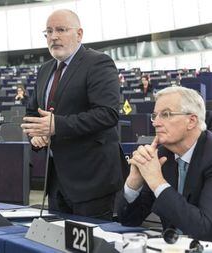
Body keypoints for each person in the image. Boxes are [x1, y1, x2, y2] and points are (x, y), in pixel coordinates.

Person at [21, 9, 123, 219]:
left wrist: (56, 126)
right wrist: (37, 134)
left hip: (91, 180)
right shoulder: (44, 70)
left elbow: (107, 114)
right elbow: (32, 112)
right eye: (48, 31)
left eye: (61, 30)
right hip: (56, 180)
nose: (54, 36)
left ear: (79, 34)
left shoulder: (98, 63)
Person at [117, 86, 212, 241]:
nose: (156, 123)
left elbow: (205, 230)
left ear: (191, 121)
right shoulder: (161, 154)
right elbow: (129, 220)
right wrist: (133, 183)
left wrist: (157, 182)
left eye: (166, 114)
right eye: (155, 115)